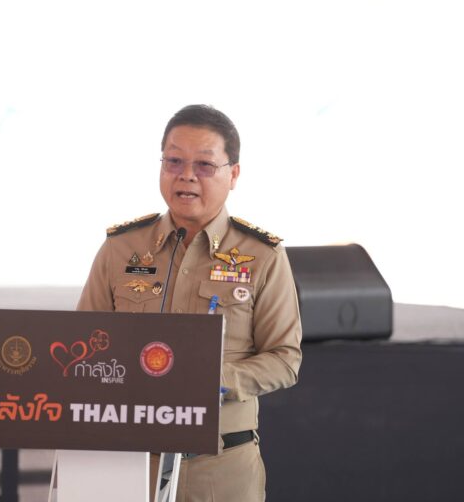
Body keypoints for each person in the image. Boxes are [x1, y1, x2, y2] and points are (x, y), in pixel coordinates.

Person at [77, 104, 302, 501]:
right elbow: (83, 346)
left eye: (204, 165)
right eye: (174, 161)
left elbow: (285, 359)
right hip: (130, 463)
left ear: (233, 174)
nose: (186, 175)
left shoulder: (262, 255)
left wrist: (213, 380)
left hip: (221, 467)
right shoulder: (120, 248)